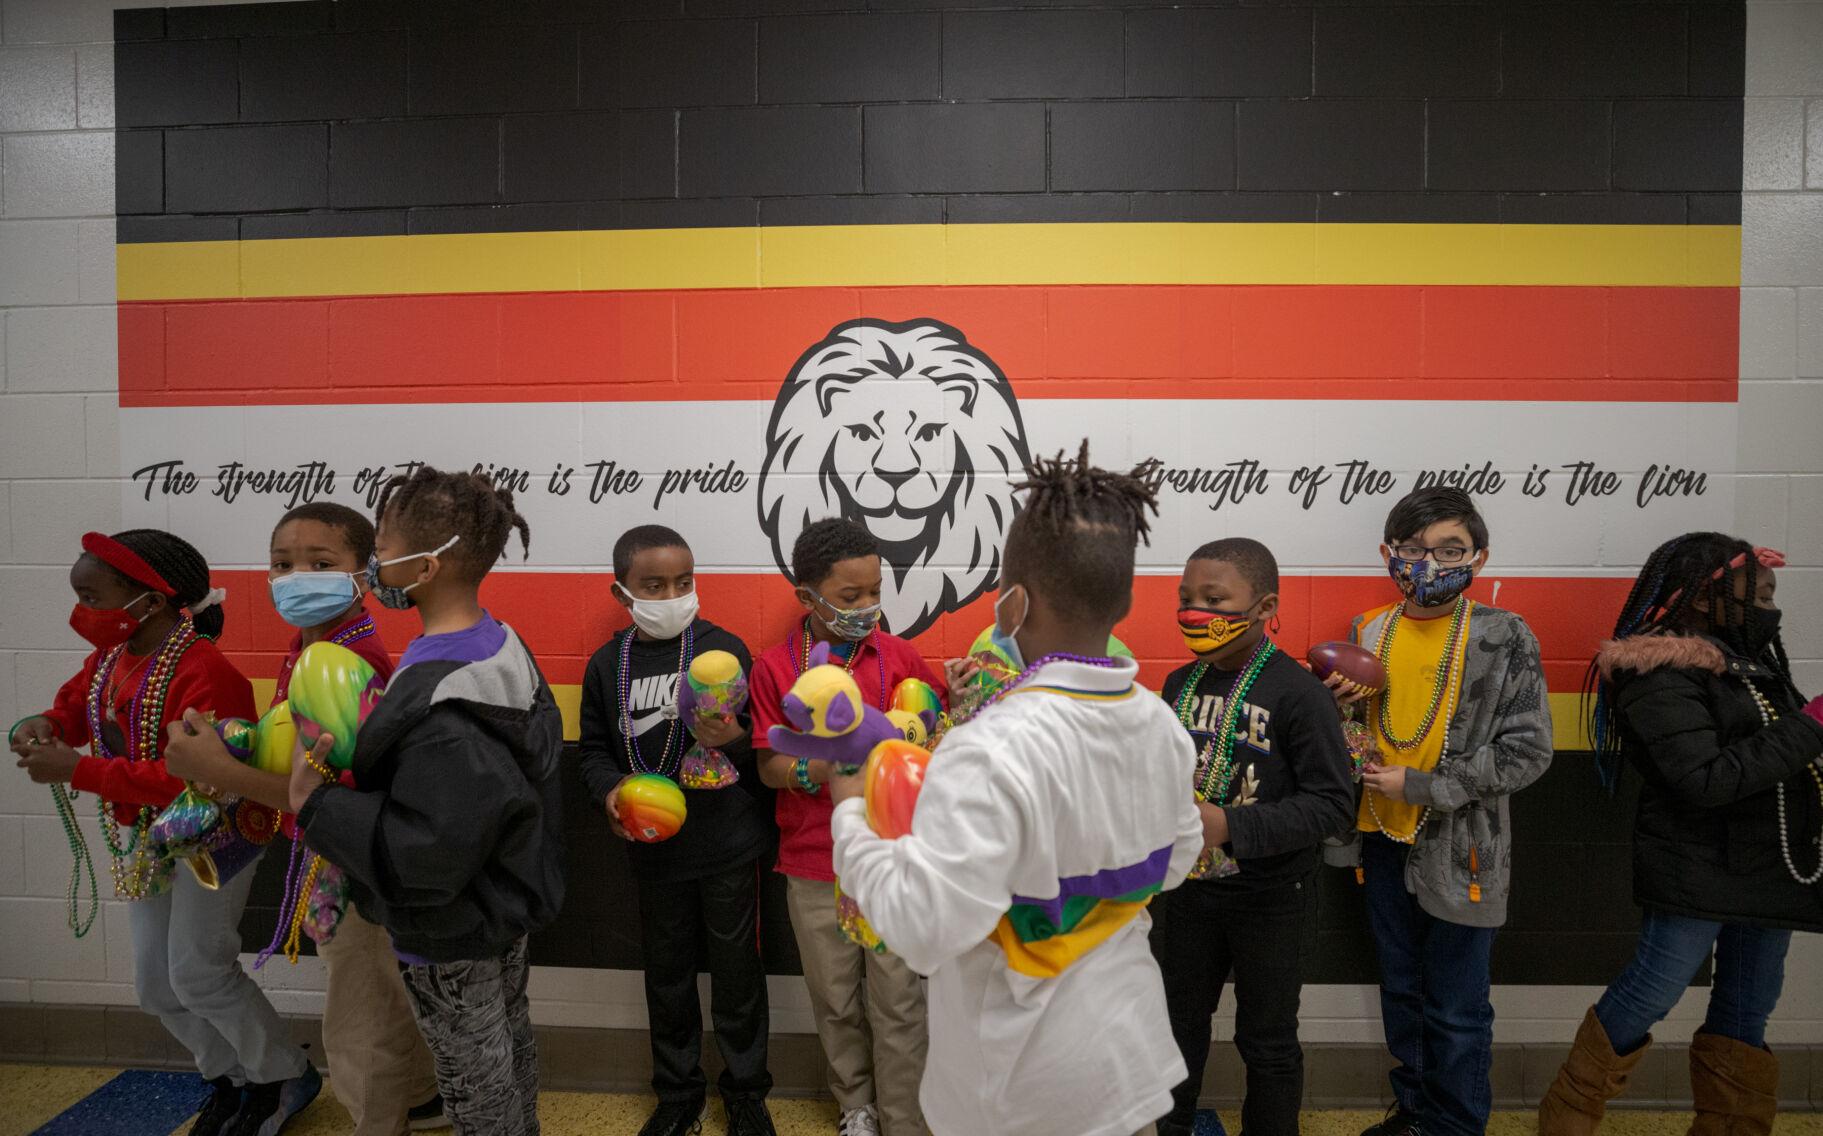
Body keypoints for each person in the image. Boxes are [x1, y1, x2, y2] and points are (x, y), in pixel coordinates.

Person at [830, 443, 1206, 1136]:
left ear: (1011, 604)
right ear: (1122, 601)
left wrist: (851, 812)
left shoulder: (990, 747)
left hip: (1019, 1094)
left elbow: (921, 927)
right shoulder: (1160, 725)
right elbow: (1179, 859)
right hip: (1126, 1068)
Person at [10, 529, 318, 1136]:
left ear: (149, 601)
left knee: (199, 972)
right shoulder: (108, 661)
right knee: (156, 986)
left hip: (214, 838)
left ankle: (281, 1076)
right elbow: (78, 705)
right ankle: (230, 1079)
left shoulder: (208, 671)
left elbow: (193, 778)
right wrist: (46, 723)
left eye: (93, 597)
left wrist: (80, 770)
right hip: (147, 839)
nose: (83, 612)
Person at [289, 467, 565, 1136]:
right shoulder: (500, 644)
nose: (375, 564)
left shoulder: (439, 694)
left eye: (382, 548)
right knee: (506, 1050)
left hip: (451, 928)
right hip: (504, 897)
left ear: (428, 564)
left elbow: (426, 851)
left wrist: (312, 801)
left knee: (474, 1081)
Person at [162, 503, 444, 1136]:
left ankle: (381, 1123)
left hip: (352, 862)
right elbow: (297, 762)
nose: (296, 577)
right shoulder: (310, 649)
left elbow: (315, 795)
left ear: (365, 574)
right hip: (331, 855)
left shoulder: (341, 662)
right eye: (282, 564)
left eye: (321, 563)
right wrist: (234, 746)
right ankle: (423, 1099)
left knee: (359, 1021)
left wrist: (219, 769)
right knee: (376, 995)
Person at [1537, 534, 1823, 1136]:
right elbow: (1706, 779)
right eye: (1759, 594)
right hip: (1696, 868)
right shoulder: (1659, 667)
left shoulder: (1756, 666)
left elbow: (1775, 759)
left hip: (1768, 871)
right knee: (1652, 993)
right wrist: (1813, 725)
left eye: (1774, 595)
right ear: (1702, 599)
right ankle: (1567, 1119)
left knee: (1748, 1008)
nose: (1771, 608)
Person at [1324, 487, 1552, 1136]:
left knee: (1454, 1006)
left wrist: (1422, 786)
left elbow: (1528, 752)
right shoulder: (1367, 630)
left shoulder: (1501, 636)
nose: (1429, 563)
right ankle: (1415, 1113)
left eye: (1449, 550)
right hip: (1377, 839)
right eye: (1413, 549)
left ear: (1477, 557)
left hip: (1461, 847)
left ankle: (1453, 1126)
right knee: (1402, 993)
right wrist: (1337, 710)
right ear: (1387, 554)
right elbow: (1352, 739)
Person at [579, 525, 777, 1136]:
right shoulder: (609, 664)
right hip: (653, 850)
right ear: (622, 592)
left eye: (683, 582)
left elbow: (759, 750)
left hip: (726, 845)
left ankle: (745, 1094)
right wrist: (609, 791)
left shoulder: (725, 649)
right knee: (667, 975)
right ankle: (679, 1094)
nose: (672, 594)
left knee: (737, 973)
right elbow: (591, 750)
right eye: (654, 585)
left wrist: (735, 739)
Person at [748, 518, 943, 1136]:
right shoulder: (776, 669)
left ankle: (904, 1116)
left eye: (875, 592)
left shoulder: (901, 656)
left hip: (893, 861)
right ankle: (856, 1106)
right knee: (835, 999)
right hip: (813, 864)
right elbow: (770, 766)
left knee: (900, 1000)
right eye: (851, 597)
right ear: (807, 597)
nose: (868, 609)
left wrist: (946, 711)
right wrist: (825, 763)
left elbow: (933, 732)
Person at [1155, 538, 1356, 1136]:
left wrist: (1230, 826)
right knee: (1175, 1028)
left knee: (1266, 1038)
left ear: (1265, 606)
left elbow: (1332, 805)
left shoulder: (1299, 693)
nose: (1195, 612)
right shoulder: (1176, 684)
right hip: (1190, 892)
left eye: (1214, 599)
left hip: (1271, 894)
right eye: (1185, 598)